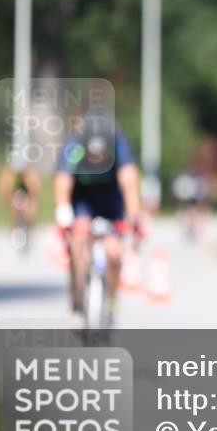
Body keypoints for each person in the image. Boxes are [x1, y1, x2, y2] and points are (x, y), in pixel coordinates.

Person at [54, 108, 143, 328]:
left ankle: (111, 303)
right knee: (79, 243)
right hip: (83, 199)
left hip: (110, 199)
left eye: (101, 153)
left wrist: (134, 219)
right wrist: (63, 212)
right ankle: (76, 302)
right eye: (93, 153)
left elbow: (129, 183)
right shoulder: (74, 146)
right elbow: (63, 182)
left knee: (113, 252)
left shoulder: (119, 144)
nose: (97, 157)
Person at [0, 152, 42, 252]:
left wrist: (32, 204)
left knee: (30, 211)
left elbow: (35, 190)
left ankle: (29, 229)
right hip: (14, 194)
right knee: (14, 210)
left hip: (27, 194)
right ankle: (15, 229)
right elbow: (5, 191)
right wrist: (10, 202)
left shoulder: (30, 173)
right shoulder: (8, 173)